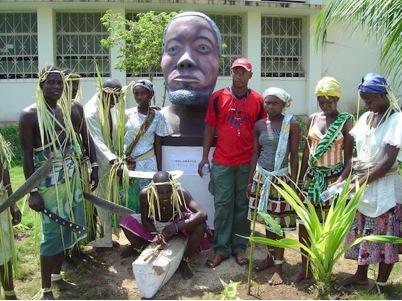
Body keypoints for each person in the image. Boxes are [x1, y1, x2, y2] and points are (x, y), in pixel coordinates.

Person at [19, 66, 98, 299]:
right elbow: (26, 156)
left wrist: (93, 167)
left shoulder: (72, 109)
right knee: (52, 235)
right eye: (51, 82)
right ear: (41, 85)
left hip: (72, 178)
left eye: (59, 83)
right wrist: (32, 191)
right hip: (47, 184)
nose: (56, 87)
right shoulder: (30, 115)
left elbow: (86, 138)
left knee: (68, 229)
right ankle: (45, 290)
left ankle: (56, 277)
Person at [198, 57, 265, 268]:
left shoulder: (258, 100)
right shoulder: (218, 98)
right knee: (223, 206)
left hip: (246, 162)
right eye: (235, 71)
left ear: (250, 75)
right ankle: (220, 249)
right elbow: (209, 128)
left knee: (242, 206)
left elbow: (262, 132)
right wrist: (204, 157)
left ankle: (239, 247)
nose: (238, 75)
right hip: (223, 162)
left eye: (243, 72)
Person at [341, 73, 402, 288]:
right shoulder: (366, 117)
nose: (368, 103)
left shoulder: (396, 119)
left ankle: (382, 284)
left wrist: (361, 181)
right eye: (365, 99)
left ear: (384, 95)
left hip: (384, 185)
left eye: (371, 98)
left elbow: (387, 161)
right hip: (364, 183)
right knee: (363, 232)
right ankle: (360, 275)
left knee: (385, 234)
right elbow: (356, 150)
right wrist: (347, 178)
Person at [296, 76, 353, 282]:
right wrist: (301, 181)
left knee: (328, 226)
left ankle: (325, 269)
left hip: (332, 181)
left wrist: (340, 182)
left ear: (337, 99)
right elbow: (307, 152)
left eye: (330, 100)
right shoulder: (312, 119)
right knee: (304, 223)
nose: (325, 104)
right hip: (312, 180)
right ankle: (305, 268)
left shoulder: (346, 121)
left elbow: (349, 160)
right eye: (321, 100)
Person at [247, 87, 300, 285]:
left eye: (274, 103)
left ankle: (278, 267)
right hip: (262, 177)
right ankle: (270, 258)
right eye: (267, 102)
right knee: (266, 220)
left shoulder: (291, 125)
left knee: (277, 223)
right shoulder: (260, 124)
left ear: (284, 104)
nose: (269, 106)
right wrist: (251, 179)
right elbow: (255, 153)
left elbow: (294, 156)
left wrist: (293, 184)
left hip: (280, 179)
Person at [119, 171, 207, 279]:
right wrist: (156, 234)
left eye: (168, 191)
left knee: (201, 225)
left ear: (173, 186)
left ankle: (185, 261)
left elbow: (202, 213)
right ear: (153, 189)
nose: (165, 196)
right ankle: (141, 249)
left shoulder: (181, 192)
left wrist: (176, 227)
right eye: (161, 192)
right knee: (125, 221)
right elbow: (145, 219)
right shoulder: (145, 194)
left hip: (178, 223)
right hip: (155, 224)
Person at [120, 79, 172, 257]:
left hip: (148, 164)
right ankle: (134, 240)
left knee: (148, 202)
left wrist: (160, 168)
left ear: (150, 95)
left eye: (143, 93)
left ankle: (149, 238)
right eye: (136, 94)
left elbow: (158, 142)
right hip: (129, 164)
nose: (139, 97)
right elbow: (121, 137)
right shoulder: (127, 114)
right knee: (130, 201)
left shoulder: (157, 116)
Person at [161, 11, 221, 137]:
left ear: (219, 60)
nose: (185, 60)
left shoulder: (231, 124)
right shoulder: (151, 124)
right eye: (173, 48)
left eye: (203, 47)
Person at [84, 79, 123, 248]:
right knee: (100, 198)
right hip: (98, 162)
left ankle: (109, 234)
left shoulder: (109, 106)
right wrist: (112, 159)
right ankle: (104, 237)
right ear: (104, 93)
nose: (117, 102)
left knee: (110, 197)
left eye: (119, 98)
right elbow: (95, 140)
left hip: (110, 161)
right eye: (114, 98)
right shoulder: (91, 112)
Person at [0, 133, 21, 300]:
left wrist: (13, 204)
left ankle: (9, 294)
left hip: (1, 205)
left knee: (4, 252)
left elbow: (5, 172)